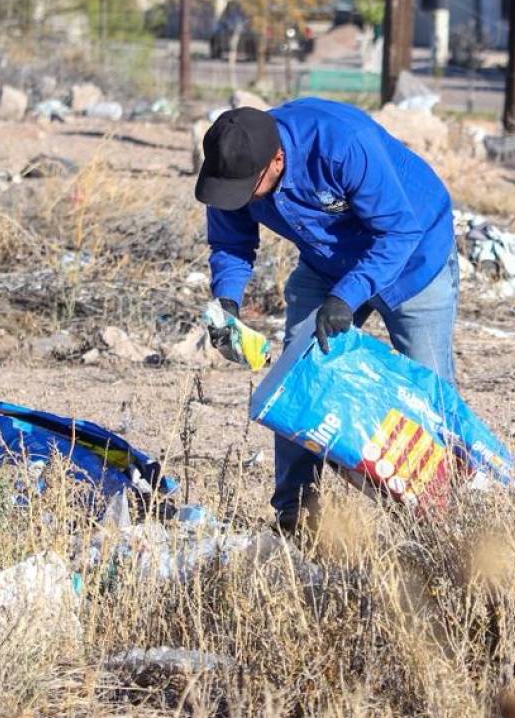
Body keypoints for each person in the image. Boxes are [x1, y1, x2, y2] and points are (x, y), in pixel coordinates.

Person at [195, 98, 458, 532]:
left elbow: (398, 230)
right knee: (299, 379)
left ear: (277, 160)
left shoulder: (340, 142)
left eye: (246, 189)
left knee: (427, 389)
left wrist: (347, 296)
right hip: (328, 262)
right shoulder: (233, 167)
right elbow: (231, 245)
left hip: (414, 259)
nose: (236, 198)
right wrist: (226, 302)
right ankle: (297, 513)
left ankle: (442, 516)